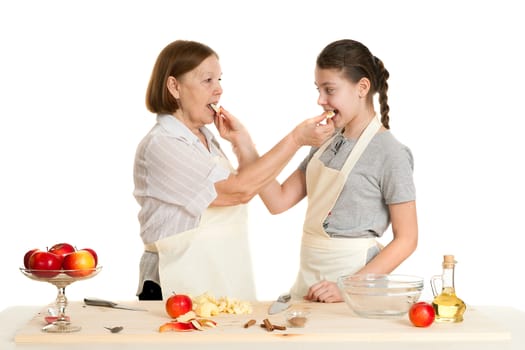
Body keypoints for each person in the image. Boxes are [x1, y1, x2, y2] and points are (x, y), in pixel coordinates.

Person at [133, 40, 334, 301]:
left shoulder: (205, 138)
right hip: (175, 286)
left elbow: (247, 183)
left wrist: (242, 143)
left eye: (219, 80)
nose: (219, 90)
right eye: (207, 80)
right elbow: (238, 191)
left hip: (217, 279)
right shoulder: (163, 144)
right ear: (174, 86)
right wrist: (297, 139)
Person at [259, 39, 418, 303]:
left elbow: (407, 239)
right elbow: (278, 201)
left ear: (362, 88)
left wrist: (349, 286)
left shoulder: (391, 153)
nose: (321, 100)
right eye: (318, 89)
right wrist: (243, 147)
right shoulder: (324, 142)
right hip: (308, 280)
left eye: (329, 89)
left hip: (356, 288)